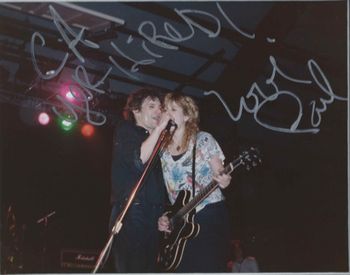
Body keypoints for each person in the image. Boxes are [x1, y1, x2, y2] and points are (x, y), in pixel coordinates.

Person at [158, 93, 232, 272]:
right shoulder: (161, 149)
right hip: (180, 220)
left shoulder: (203, 139)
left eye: (173, 110)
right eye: (166, 109)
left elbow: (221, 173)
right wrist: (165, 216)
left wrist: (225, 180)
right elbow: (165, 190)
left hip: (208, 214)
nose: (168, 113)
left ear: (187, 116)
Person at [109, 87, 171, 272]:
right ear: (136, 110)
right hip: (131, 211)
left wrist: (164, 213)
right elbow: (138, 160)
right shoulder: (127, 130)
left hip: (153, 214)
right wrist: (160, 128)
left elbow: (160, 184)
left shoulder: (158, 141)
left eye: (160, 108)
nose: (159, 112)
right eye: (152, 106)